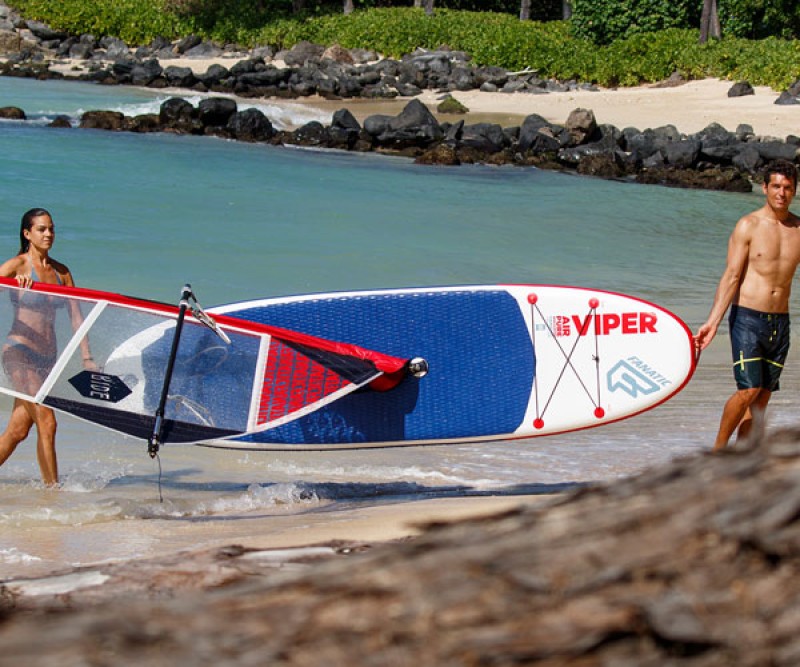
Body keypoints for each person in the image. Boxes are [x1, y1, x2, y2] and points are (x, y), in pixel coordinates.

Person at [695, 159, 800, 451]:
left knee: (762, 397)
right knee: (749, 390)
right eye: (776, 186)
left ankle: (739, 460)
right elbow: (731, 276)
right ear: (764, 188)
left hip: (780, 322)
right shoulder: (748, 226)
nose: (782, 193)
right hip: (748, 318)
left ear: (795, 191)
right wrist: (713, 321)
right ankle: (717, 452)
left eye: (788, 187)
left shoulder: (798, 229)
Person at [0, 208, 91, 485]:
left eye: (51, 228)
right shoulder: (18, 266)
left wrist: (87, 357)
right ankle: (54, 493)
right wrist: (10, 284)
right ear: (27, 234)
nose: (48, 234)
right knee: (48, 422)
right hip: (18, 353)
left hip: (46, 361)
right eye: (41, 229)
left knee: (17, 431)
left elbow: (76, 316)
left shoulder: (62, 273)